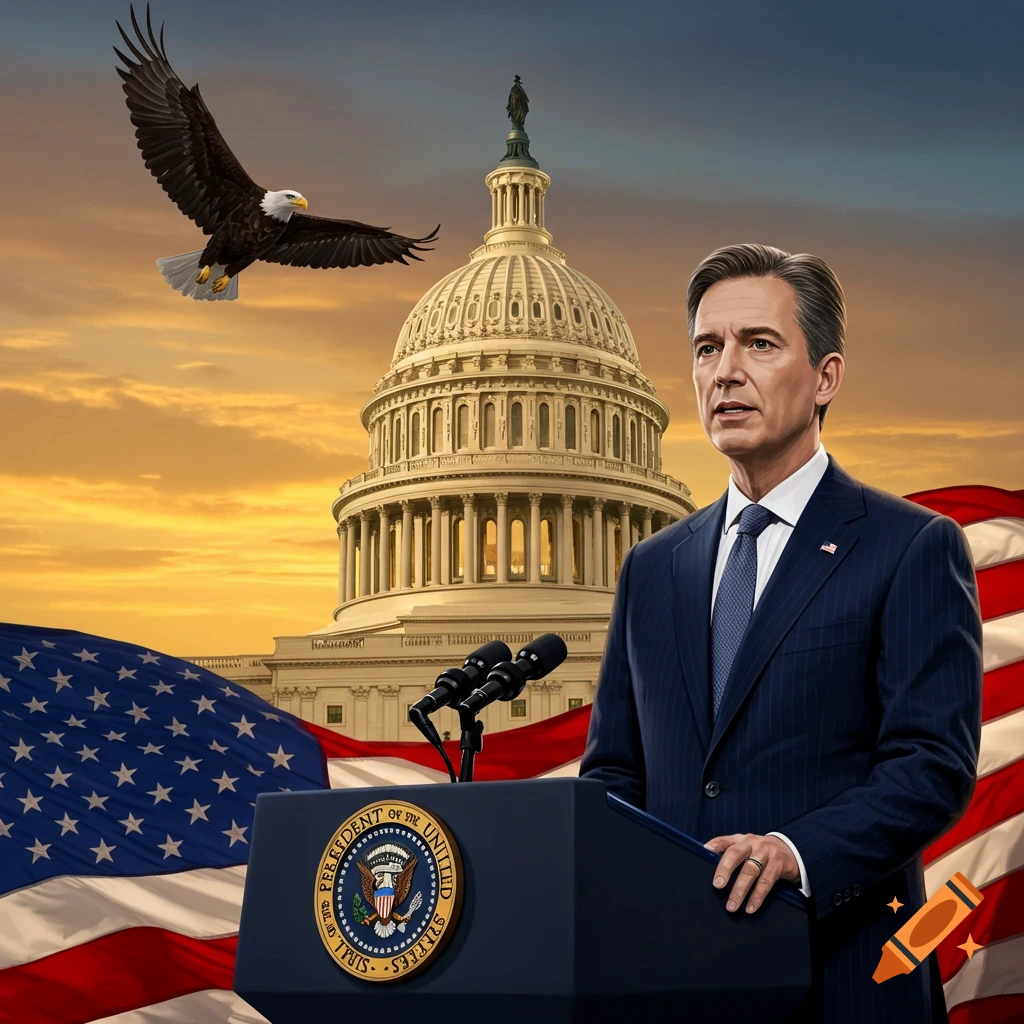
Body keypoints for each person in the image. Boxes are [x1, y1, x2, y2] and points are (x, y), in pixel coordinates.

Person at [579, 243, 983, 1023]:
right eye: (707, 348)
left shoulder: (909, 546)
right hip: (673, 988)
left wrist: (793, 853)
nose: (725, 371)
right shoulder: (651, 568)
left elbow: (931, 764)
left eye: (758, 344)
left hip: (841, 982)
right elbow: (614, 776)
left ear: (827, 376)